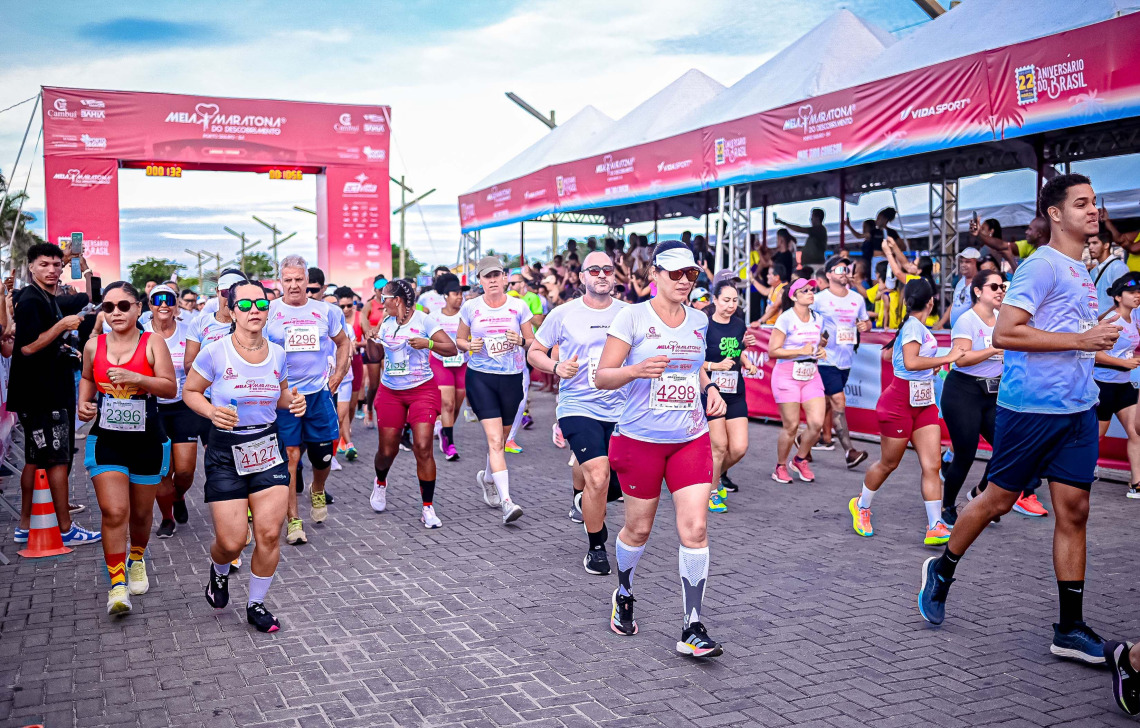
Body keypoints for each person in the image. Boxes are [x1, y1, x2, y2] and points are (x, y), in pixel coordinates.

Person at [917, 174, 1121, 668]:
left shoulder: (1081, 270)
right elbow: (1008, 333)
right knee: (996, 502)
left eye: (1094, 203)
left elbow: (1076, 337)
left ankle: (1069, 628)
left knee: (1074, 512)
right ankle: (942, 570)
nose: (1093, 211)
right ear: (1055, 214)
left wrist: (1100, 348)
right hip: (1029, 410)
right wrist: (1081, 342)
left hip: (1077, 410)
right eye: (1081, 204)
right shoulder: (1040, 266)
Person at [595, 240, 726, 658]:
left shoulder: (700, 320)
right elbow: (602, 377)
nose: (686, 281)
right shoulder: (632, 316)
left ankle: (692, 625)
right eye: (676, 274)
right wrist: (635, 370)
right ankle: (625, 590)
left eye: (692, 274)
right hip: (640, 441)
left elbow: (697, 366)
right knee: (639, 530)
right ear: (654, 275)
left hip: (690, 437)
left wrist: (709, 388)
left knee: (696, 529)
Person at [184, 280, 304, 633]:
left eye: (262, 304)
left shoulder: (278, 353)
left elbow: (280, 396)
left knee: (268, 533)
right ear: (231, 310)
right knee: (232, 541)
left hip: (267, 447)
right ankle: (219, 572)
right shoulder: (215, 351)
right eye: (246, 305)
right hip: (224, 449)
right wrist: (210, 412)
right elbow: (190, 391)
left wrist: (294, 402)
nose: (255, 310)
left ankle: (256, 603)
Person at [77, 282, 177, 615]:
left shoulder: (153, 342)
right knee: (114, 511)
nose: (115, 313)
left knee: (141, 514)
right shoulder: (94, 345)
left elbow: (168, 386)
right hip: (107, 439)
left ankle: (137, 558)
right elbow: (89, 378)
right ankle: (117, 586)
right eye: (108, 307)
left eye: (123, 306)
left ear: (138, 308)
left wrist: (137, 378)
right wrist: (84, 402)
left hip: (147, 438)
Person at [530, 251, 628, 574]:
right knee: (598, 476)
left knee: (613, 484)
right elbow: (534, 352)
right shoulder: (563, 314)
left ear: (615, 276)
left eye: (608, 270)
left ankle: (581, 496)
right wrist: (557, 366)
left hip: (622, 409)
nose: (602, 275)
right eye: (594, 270)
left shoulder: (631, 314)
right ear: (582, 277)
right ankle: (596, 546)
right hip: (578, 405)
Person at [850, 279, 965, 546]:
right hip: (899, 404)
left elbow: (891, 357)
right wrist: (945, 358)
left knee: (932, 465)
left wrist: (930, 367)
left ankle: (935, 525)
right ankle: (861, 505)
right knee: (889, 463)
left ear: (906, 302)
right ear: (932, 302)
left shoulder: (913, 327)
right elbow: (912, 361)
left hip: (923, 403)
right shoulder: (913, 327)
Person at [10, 243, 101, 547]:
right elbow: (26, 348)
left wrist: (62, 347)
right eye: (45, 264)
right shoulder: (32, 300)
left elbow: (40, 345)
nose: (52, 270)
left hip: (42, 391)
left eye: (57, 265)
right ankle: (66, 529)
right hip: (42, 394)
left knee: (35, 461)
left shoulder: (46, 297)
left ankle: (25, 525)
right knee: (57, 461)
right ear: (31, 267)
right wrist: (62, 326)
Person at [265, 256, 351, 545]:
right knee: (290, 457)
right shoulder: (270, 312)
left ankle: (318, 487)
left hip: (317, 395)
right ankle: (294, 520)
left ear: (308, 281)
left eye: (298, 279)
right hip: (285, 398)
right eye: (287, 280)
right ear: (280, 282)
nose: (293, 285)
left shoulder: (326, 311)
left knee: (324, 454)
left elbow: (343, 342)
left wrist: (339, 373)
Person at [368, 279, 456, 528]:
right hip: (391, 392)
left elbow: (451, 349)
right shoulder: (385, 323)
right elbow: (375, 358)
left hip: (422, 390)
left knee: (423, 446)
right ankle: (380, 483)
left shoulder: (424, 321)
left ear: (397, 300)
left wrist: (427, 343)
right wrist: (372, 341)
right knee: (387, 450)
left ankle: (427, 508)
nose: (381, 303)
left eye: (384, 298)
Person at [455, 256, 535, 525]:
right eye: (485, 276)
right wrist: (470, 346)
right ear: (479, 281)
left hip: (512, 379)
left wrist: (520, 340)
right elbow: (459, 340)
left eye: (496, 275)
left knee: (500, 440)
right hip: (481, 379)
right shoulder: (470, 307)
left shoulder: (519, 306)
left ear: (504, 278)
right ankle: (507, 502)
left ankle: (487, 478)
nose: (491, 281)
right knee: (494, 441)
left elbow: (533, 343)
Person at [939, 270, 1007, 527]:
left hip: (992, 393)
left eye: (1002, 286)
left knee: (1005, 446)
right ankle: (947, 506)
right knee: (966, 454)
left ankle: (979, 492)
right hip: (963, 392)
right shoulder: (967, 320)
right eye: (994, 286)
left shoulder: (1002, 318)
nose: (1000, 290)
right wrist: (995, 348)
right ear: (978, 291)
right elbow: (961, 357)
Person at [144, 284, 205, 538]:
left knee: (184, 470)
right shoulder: (141, 332)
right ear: (150, 306)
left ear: (176, 304)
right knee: (162, 470)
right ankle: (167, 518)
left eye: (169, 299)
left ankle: (178, 496)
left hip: (183, 405)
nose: (163, 304)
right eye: (157, 300)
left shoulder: (187, 331)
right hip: (152, 407)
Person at [702, 279, 758, 513]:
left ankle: (709, 479)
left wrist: (748, 361)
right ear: (715, 300)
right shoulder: (704, 325)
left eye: (735, 300)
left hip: (735, 393)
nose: (731, 305)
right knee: (720, 446)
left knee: (739, 448)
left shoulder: (738, 324)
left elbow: (737, 351)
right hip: (712, 392)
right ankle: (711, 492)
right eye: (726, 300)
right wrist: (714, 366)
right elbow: (694, 360)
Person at [811, 256, 871, 469]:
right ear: (828, 275)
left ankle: (803, 443)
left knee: (825, 404)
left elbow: (866, 321)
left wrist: (866, 326)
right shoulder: (819, 299)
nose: (844, 272)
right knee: (838, 400)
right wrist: (818, 339)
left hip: (846, 359)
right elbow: (805, 320)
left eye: (846, 269)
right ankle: (849, 451)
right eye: (839, 269)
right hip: (825, 359)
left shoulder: (857, 299)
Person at [767, 279, 827, 483]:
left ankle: (800, 459)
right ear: (793, 296)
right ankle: (780, 466)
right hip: (787, 374)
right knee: (791, 426)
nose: (811, 293)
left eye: (812, 290)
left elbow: (821, 340)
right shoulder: (785, 319)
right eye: (805, 291)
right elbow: (773, 351)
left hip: (811, 373)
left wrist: (821, 348)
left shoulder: (818, 318)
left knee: (816, 423)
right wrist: (799, 351)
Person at [1094, 272, 1140, 497]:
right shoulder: (1111, 320)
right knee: (1096, 436)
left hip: (1124, 385)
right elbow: (1095, 355)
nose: (1137, 296)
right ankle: (1078, 472)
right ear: (1118, 297)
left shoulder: (1134, 319)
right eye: (1132, 293)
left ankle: (1136, 483)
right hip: (1103, 385)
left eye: (1139, 292)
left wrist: (1129, 363)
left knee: (1136, 432)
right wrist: (1123, 363)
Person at [429, 274, 468, 461]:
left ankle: (445, 429)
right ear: (446, 295)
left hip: (462, 363)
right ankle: (449, 444)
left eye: (461, 294)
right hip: (440, 362)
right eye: (455, 294)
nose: (459, 297)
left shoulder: (466, 315)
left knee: (457, 404)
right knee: (448, 403)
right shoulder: (434, 316)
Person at [333, 287, 362, 462]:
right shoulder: (319, 326)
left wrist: (349, 353)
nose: (343, 310)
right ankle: (332, 454)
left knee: (341, 414)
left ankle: (343, 446)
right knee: (332, 418)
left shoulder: (348, 328)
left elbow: (350, 350)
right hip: (323, 379)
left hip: (344, 378)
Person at [359, 273, 390, 429]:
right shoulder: (370, 305)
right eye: (379, 289)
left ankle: (387, 412)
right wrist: (372, 332)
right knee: (373, 385)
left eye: (384, 288)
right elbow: (363, 323)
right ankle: (369, 408)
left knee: (390, 382)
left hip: (388, 345)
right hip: (374, 346)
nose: (381, 291)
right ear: (375, 290)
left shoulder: (392, 303)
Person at [936, 248, 981, 329]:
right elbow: (954, 304)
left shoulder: (980, 282)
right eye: (961, 262)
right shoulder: (960, 282)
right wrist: (940, 323)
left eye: (967, 262)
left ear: (976, 263)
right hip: (956, 330)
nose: (963, 265)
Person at [1089, 233, 1129, 315]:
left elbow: (1123, 300)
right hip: (1096, 321)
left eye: (1095, 243)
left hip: (1112, 322)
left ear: (1106, 245)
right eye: (1089, 244)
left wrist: (1101, 319)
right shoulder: (1093, 271)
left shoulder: (1118, 267)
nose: (1090, 247)